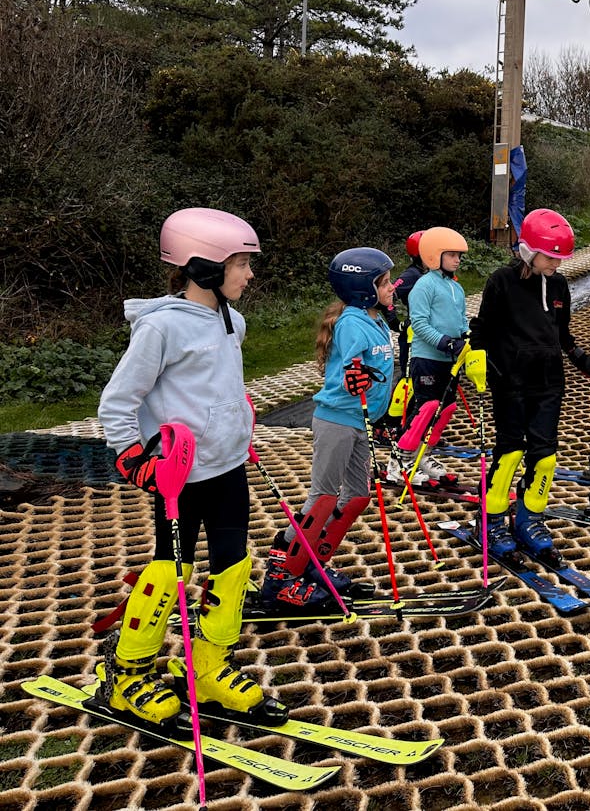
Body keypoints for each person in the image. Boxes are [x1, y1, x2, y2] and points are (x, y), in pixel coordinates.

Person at [97, 206, 286, 731]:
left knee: (232, 566)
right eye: (241, 264)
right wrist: (132, 456)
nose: (249, 275)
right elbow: (118, 401)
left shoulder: (233, 320)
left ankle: (207, 667)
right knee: (170, 571)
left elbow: (220, 388)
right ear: (203, 266)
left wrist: (237, 427)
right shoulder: (160, 329)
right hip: (179, 477)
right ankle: (128, 672)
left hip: (226, 468)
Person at [261, 247, 396, 609]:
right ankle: (281, 574)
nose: (391, 288)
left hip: (360, 422)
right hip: (337, 420)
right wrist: (354, 376)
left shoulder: (376, 319)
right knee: (322, 497)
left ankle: (311, 564)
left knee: (355, 496)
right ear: (363, 289)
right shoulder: (353, 322)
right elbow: (344, 369)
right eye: (384, 283)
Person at [470, 208, 590, 562]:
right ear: (529, 250)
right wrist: (476, 358)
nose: (556, 265)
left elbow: (562, 335)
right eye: (550, 257)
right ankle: (491, 521)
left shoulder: (559, 286)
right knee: (511, 452)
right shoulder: (502, 280)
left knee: (545, 458)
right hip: (510, 381)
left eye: (561, 258)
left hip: (548, 383)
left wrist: (583, 360)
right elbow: (482, 329)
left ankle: (529, 520)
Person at [387, 226, 470, 486]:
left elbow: (459, 320)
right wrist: (444, 342)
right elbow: (419, 324)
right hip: (428, 358)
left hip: (450, 360)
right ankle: (398, 462)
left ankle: (423, 456)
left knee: (445, 409)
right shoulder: (424, 285)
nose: (458, 260)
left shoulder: (455, 288)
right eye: (452, 254)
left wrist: (467, 335)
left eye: (459, 255)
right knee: (426, 409)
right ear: (435, 255)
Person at [377, 230, 426, 438]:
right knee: (408, 382)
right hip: (412, 338)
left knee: (420, 382)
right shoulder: (411, 276)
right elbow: (389, 296)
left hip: (427, 339)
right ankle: (390, 423)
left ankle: (412, 424)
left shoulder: (429, 275)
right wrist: (396, 324)